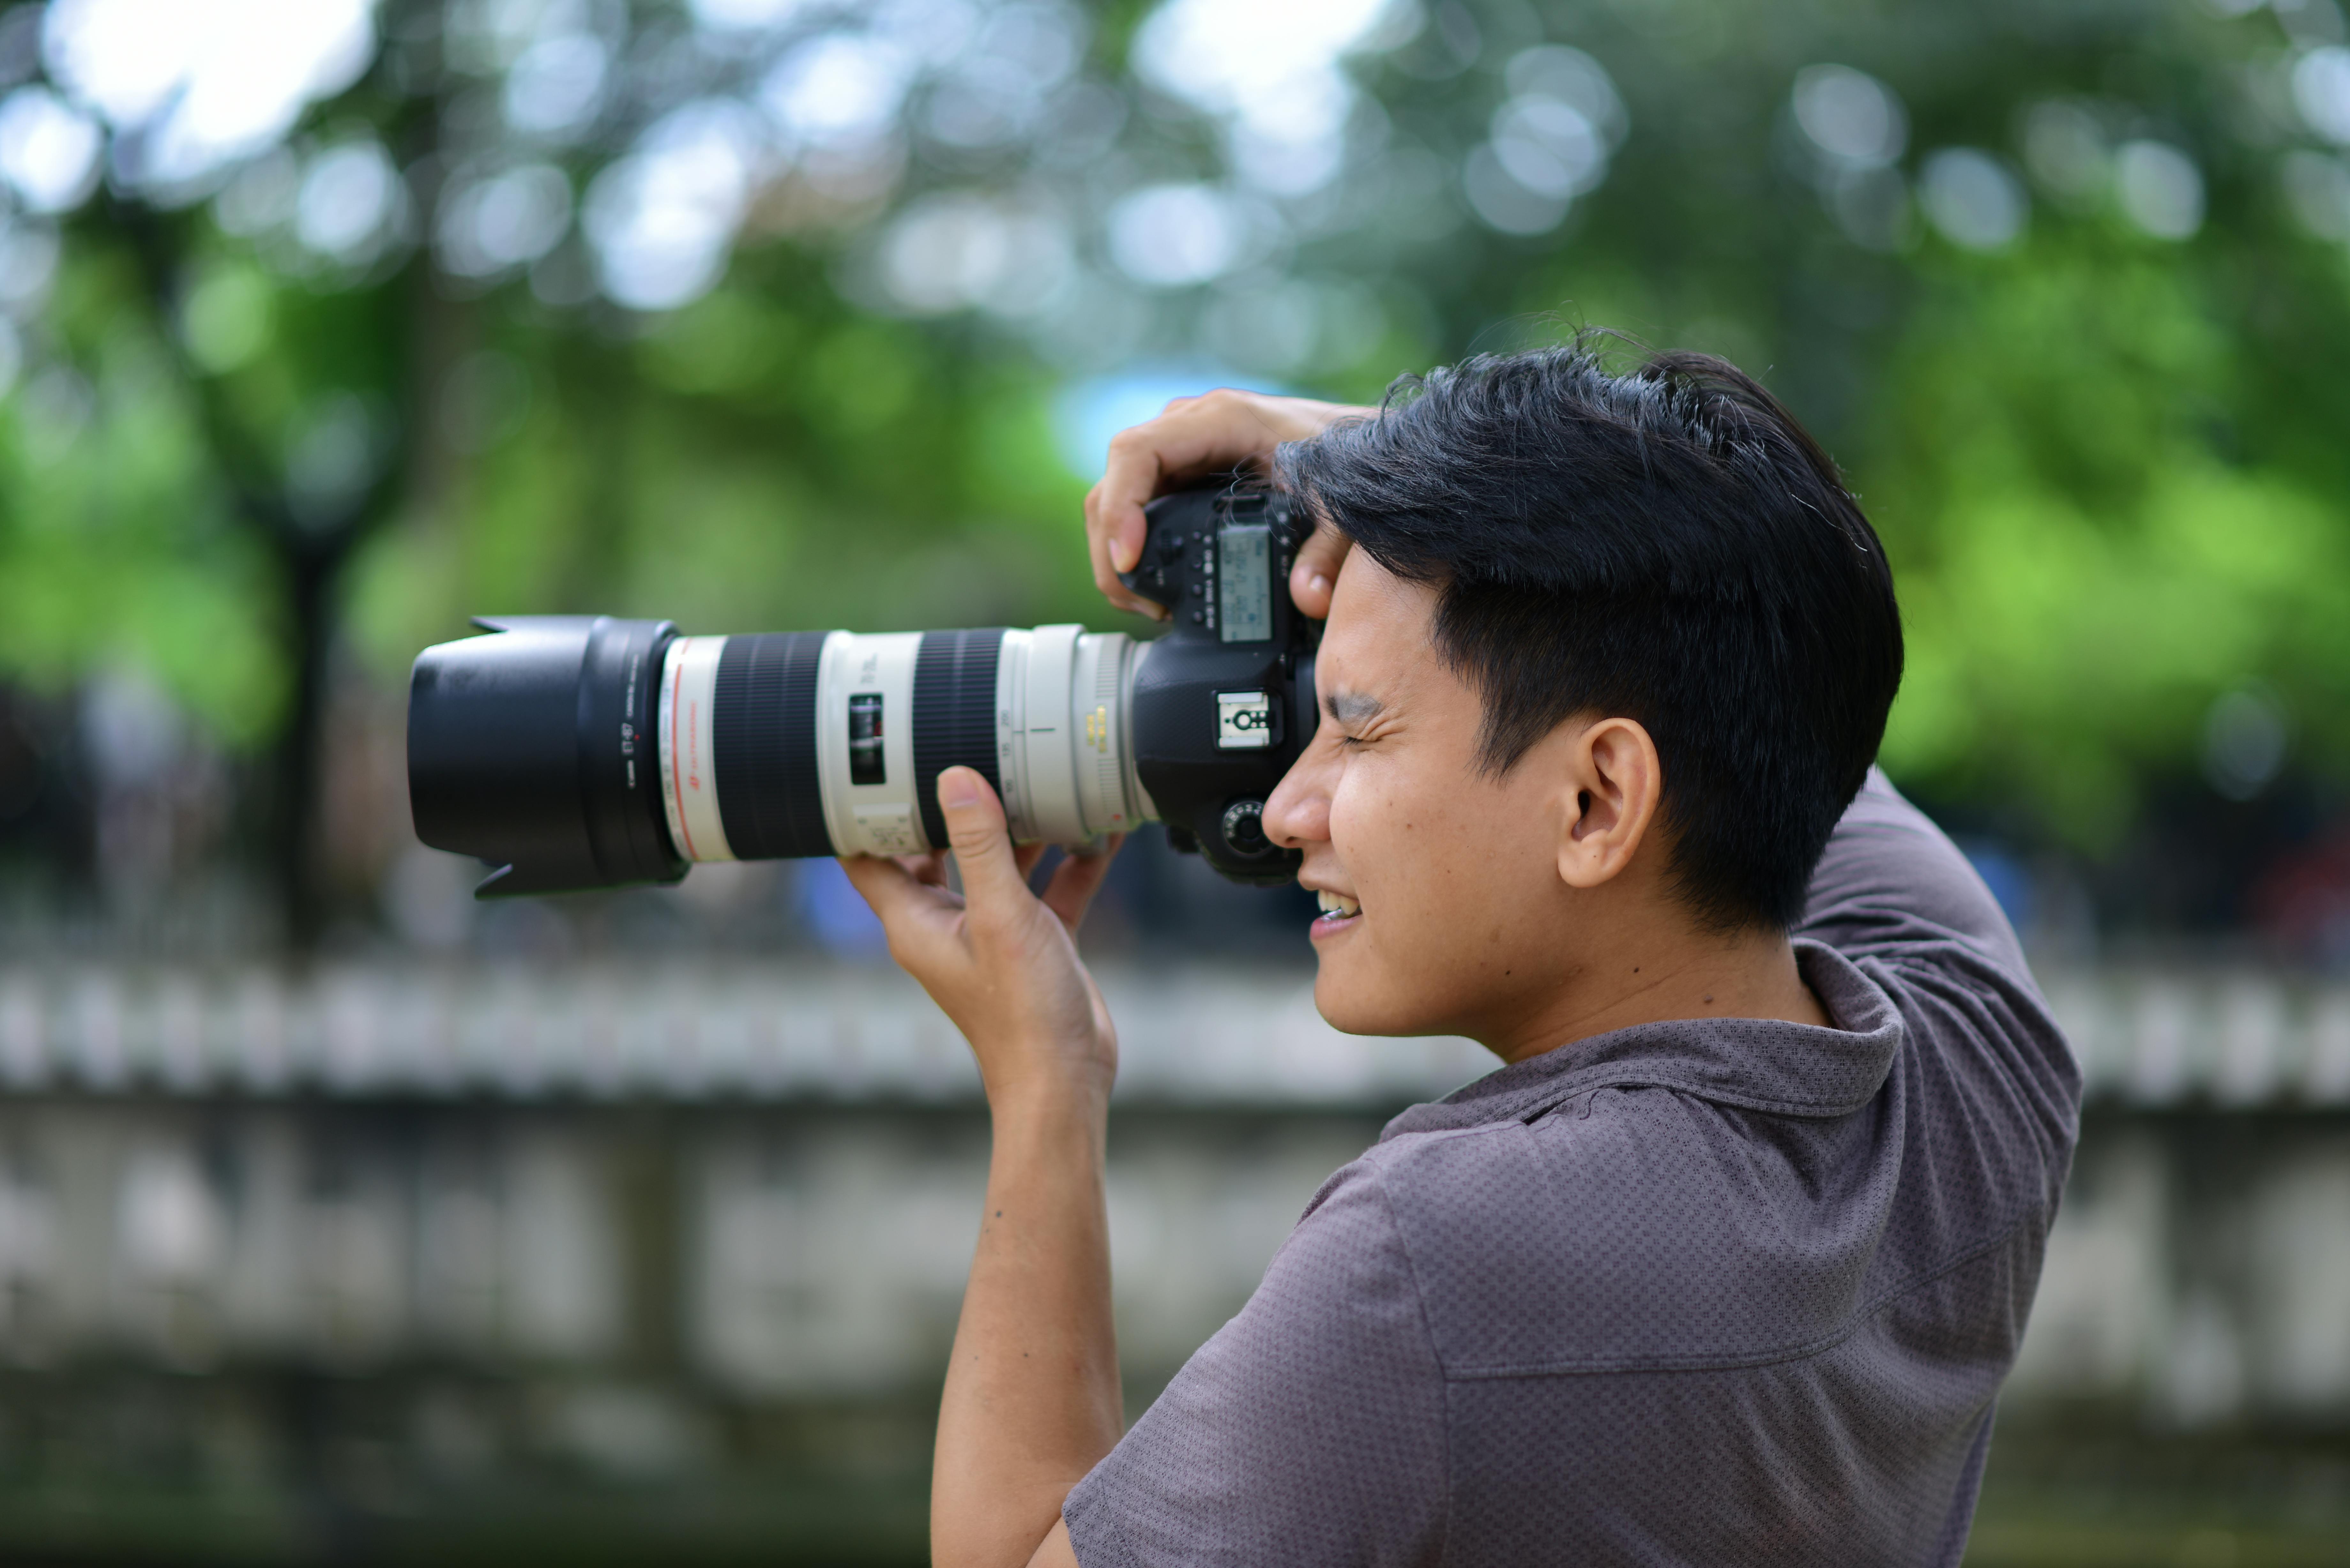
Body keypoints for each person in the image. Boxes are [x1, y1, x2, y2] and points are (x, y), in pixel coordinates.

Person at [842, 345, 2081, 1568]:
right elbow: (1759, 673)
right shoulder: (1974, 1078)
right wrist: (1394, 485)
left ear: (1597, 802)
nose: (1286, 809)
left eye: (1356, 730)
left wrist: (1043, 1083)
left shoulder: (1435, 1262)